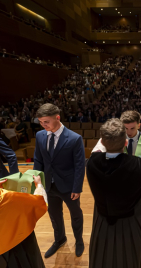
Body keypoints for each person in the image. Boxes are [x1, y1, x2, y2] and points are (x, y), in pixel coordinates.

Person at [87, 119, 141, 268]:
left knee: (101, 258)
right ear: (126, 143)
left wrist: (108, 134)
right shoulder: (139, 166)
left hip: (101, 220)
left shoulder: (91, 162)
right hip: (130, 222)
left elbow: (97, 148)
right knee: (128, 258)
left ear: (102, 141)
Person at [33, 103, 86, 258]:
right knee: (54, 215)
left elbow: (79, 165)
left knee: (76, 214)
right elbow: (38, 159)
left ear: (57, 118)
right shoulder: (40, 135)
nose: (43, 125)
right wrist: (37, 180)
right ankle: (60, 239)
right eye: (41, 122)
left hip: (69, 186)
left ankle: (79, 240)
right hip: (48, 184)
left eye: (46, 122)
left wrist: (77, 187)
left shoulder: (75, 138)